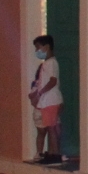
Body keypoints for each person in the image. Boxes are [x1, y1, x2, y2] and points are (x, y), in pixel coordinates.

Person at [29, 36, 63, 164]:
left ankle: (55, 154)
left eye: (38, 47)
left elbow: (53, 81)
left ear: (47, 46)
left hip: (50, 101)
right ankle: (53, 153)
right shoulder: (47, 63)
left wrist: (40, 92)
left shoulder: (51, 62)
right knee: (50, 127)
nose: (37, 50)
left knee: (51, 128)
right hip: (47, 101)